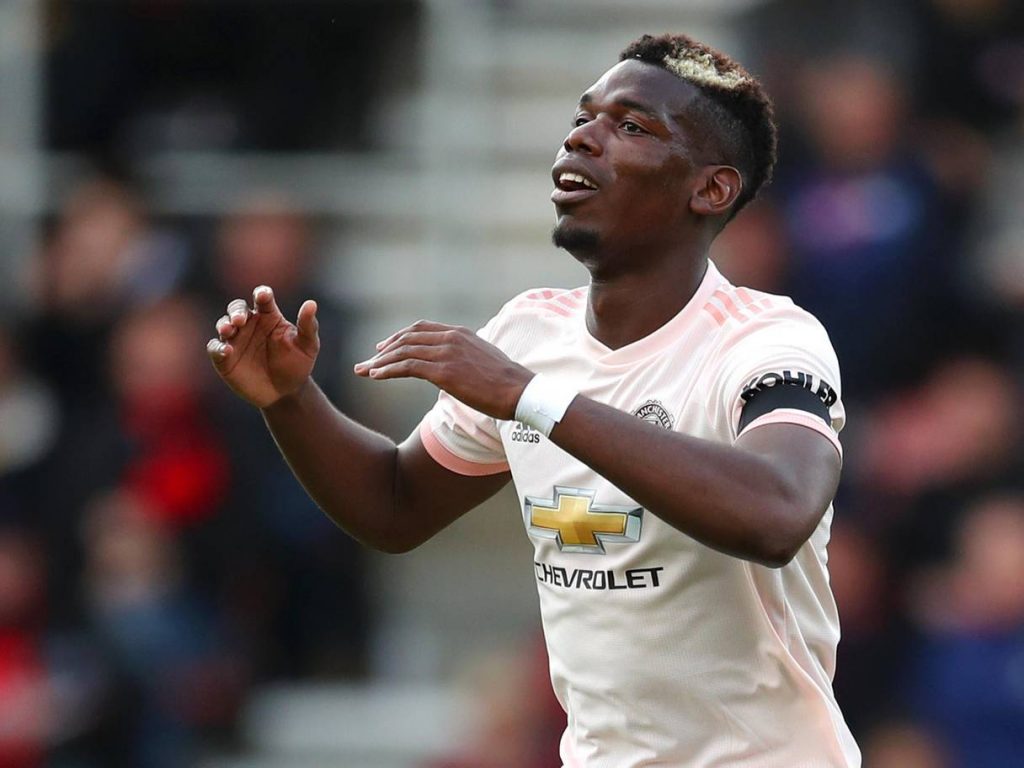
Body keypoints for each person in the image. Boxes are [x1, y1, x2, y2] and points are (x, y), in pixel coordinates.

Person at [208, 33, 860, 767]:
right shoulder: (530, 332)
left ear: (711, 189)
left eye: (632, 127)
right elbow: (393, 506)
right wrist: (289, 401)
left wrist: (530, 398)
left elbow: (777, 512)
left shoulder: (767, 341)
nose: (584, 138)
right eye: (585, 118)